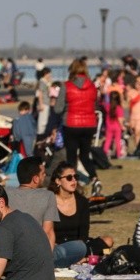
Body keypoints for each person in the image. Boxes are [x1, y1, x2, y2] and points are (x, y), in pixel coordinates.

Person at [47, 162, 113, 267]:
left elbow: (84, 232)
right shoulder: (48, 201)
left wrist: (79, 251)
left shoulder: (82, 201)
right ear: (58, 181)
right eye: (69, 177)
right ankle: (83, 258)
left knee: (108, 241)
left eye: (76, 177)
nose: (74, 180)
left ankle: (82, 258)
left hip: (78, 246)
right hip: (57, 246)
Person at [54, 59, 100, 187]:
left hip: (71, 124)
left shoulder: (66, 86)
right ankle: (95, 178)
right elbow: (95, 104)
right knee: (85, 155)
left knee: (71, 156)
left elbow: (58, 108)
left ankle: (72, 182)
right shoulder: (92, 86)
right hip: (89, 124)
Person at [103, 91, 125, 158]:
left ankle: (104, 153)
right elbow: (120, 119)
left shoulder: (107, 106)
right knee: (117, 141)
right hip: (117, 126)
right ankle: (118, 154)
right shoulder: (119, 108)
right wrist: (122, 126)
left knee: (108, 140)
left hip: (109, 126)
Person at [36, 67, 53, 135]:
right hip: (44, 103)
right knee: (42, 120)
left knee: (45, 119)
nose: (50, 75)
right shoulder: (42, 81)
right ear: (45, 74)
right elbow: (40, 93)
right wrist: (41, 104)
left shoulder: (46, 82)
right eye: (49, 73)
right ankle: (40, 133)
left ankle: (43, 133)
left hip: (47, 102)